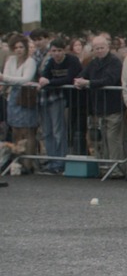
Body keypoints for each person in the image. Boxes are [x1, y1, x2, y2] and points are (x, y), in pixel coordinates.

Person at [75, 36, 126, 176]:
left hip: (113, 106)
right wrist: (78, 81)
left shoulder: (115, 62)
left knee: (113, 138)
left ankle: (117, 168)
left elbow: (110, 80)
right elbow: (82, 75)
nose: (99, 50)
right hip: (98, 107)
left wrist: (89, 83)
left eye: (102, 48)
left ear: (107, 47)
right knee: (102, 138)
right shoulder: (93, 63)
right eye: (96, 48)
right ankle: (106, 166)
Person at [37, 39, 82, 174]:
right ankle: (51, 160)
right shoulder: (50, 61)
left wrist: (49, 82)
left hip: (68, 100)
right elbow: (44, 76)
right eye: (54, 51)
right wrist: (44, 81)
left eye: (59, 50)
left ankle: (60, 161)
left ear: (65, 50)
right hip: (49, 98)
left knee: (59, 131)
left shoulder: (72, 60)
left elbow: (69, 79)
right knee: (47, 131)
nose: (56, 54)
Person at [2, 35, 39, 166]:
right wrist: (7, 79)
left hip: (26, 97)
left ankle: (28, 163)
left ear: (26, 48)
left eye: (21, 47)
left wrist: (5, 78)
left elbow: (26, 79)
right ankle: (17, 162)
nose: (18, 50)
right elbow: (8, 77)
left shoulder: (30, 61)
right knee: (15, 130)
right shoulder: (10, 60)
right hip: (12, 97)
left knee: (27, 130)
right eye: (16, 47)